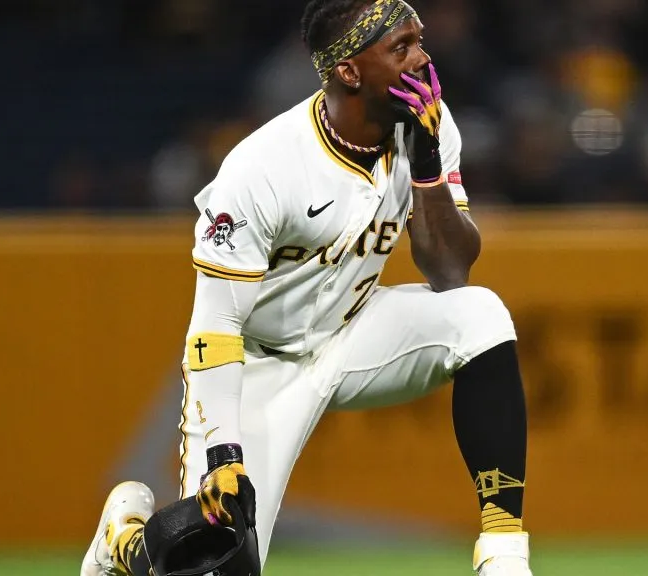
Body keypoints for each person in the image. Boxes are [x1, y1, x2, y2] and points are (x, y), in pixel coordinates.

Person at [81, 1, 533, 574]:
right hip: (256, 363)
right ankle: (124, 545)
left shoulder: (431, 126)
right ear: (349, 70)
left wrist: (426, 170)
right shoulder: (262, 167)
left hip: (354, 330)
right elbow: (214, 327)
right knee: (223, 566)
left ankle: (502, 549)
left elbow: (450, 272)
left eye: (419, 40)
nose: (422, 58)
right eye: (401, 47)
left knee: (481, 314)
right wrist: (223, 451)